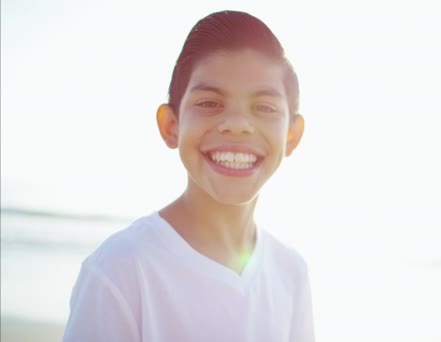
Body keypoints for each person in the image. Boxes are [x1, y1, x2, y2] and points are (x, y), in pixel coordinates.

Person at [63, 10, 314, 342]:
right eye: (210, 103)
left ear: (292, 135)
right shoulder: (121, 270)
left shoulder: (291, 273)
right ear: (171, 126)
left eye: (264, 107)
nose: (237, 123)